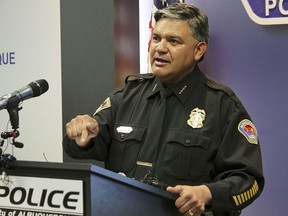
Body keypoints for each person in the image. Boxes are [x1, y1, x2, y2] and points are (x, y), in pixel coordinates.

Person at [63, 3, 264, 216]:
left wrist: (207, 193)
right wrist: (81, 135)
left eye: (173, 41)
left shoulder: (223, 106)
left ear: (199, 50)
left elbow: (250, 181)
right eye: (157, 38)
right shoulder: (126, 96)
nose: (159, 48)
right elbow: (81, 145)